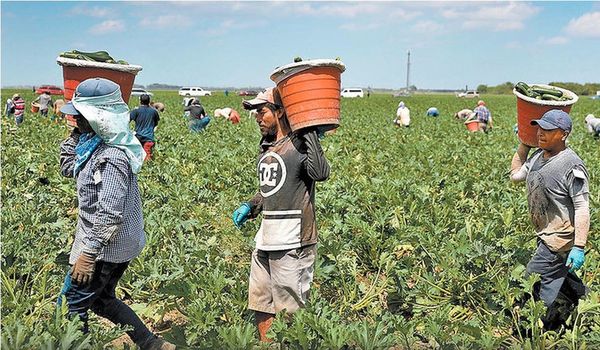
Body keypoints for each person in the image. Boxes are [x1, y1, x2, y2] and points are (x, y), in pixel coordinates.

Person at [57, 78, 174, 350]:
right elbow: (66, 167)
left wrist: (88, 255)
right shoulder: (92, 145)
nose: (76, 121)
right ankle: (151, 344)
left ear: (98, 118)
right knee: (102, 299)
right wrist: (74, 133)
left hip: (105, 246)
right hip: (111, 243)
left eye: (81, 116)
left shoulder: (112, 155)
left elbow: (110, 212)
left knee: (72, 305)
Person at [232, 87, 330, 342]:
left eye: (262, 111)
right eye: (255, 112)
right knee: (260, 301)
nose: (257, 117)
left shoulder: (297, 145)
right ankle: (267, 345)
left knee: (290, 311)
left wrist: (309, 133)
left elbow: (320, 173)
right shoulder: (268, 147)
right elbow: (269, 189)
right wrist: (251, 205)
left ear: (281, 111)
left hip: (293, 241)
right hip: (266, 238)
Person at [509, 110, 590, 331]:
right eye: (539, 128)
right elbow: (515, 176)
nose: (540, 134)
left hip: (559, 239)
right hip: (545, 233)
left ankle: (530, 330)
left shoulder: (571, 165)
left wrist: (579, 246)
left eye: (548, 130)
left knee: (531, 283)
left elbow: (582, 207)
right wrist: (524, 146)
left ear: (563, 134)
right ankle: (585, 303)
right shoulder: (537, 156)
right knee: (563, 279)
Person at [130, 94, 160, 160]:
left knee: (137, 156)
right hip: (149, 137)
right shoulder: (154, 111)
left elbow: (127, 120)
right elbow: (156, 124)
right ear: (149, 101)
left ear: (140, 101)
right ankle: (148, 168)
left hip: (138, 137)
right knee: (147, 155)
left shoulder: (136, 111)